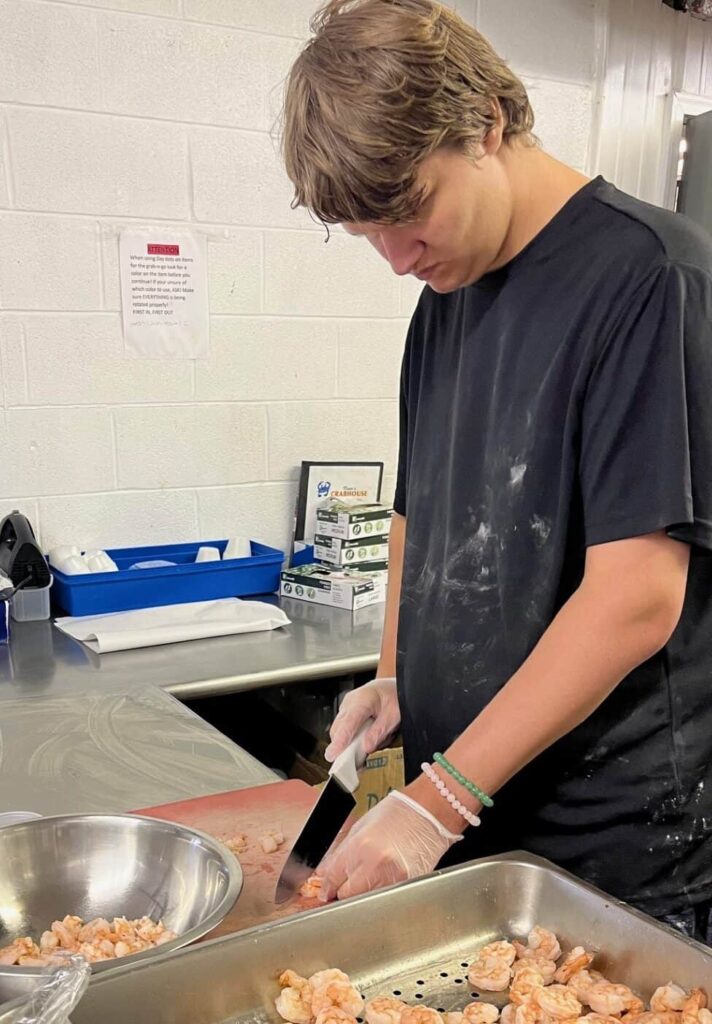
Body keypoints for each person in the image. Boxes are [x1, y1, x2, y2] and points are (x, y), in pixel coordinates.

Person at [281, 0, 712, 940]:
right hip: (473, 821)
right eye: (367, 236)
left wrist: (438, 804)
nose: (396, 259)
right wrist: (395, 682)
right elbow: (415, 520)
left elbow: (638, 597)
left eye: (409, 213)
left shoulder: (650, 278)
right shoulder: (444, 300)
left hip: (613, 859)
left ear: (488, 125)